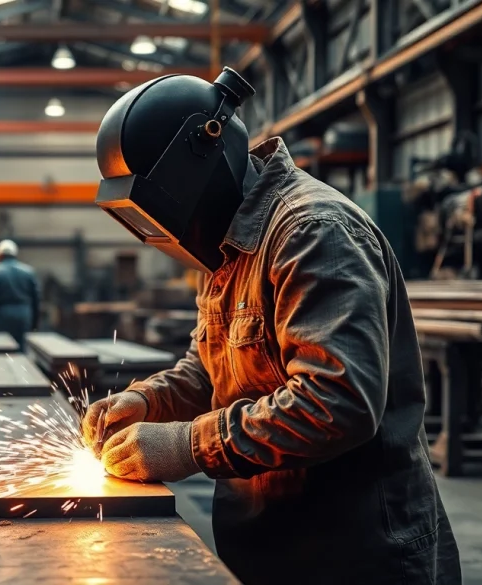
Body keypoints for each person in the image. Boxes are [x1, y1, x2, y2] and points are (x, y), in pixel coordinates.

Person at [83, 68, 461, 585]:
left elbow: (337, 402)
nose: (166, 236)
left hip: (353, 553)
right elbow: (212, 366)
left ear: (204, 165)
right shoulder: (227, 244)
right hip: (270, 548)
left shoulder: (315, 233)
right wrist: (149, 401)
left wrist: (188, 445)